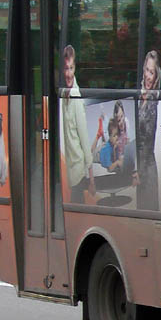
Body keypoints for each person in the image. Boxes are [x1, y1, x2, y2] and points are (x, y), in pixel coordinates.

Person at [61, 44, 94, 204]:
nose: (68, 73)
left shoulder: (75, 95)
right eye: (65, 68)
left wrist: (91, 176)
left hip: (78, 173)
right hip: (70, 171)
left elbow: (84, 137)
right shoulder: (63, 94)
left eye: (71, 68)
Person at [136, 49, 161, 211]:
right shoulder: (140, 97)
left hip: (146, 169)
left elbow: (147, 144)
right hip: (140, 168)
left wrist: (139, 171)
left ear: (156, 76)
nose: (147, 75)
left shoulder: (152, 103)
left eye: (151, 72)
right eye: (146, 69)